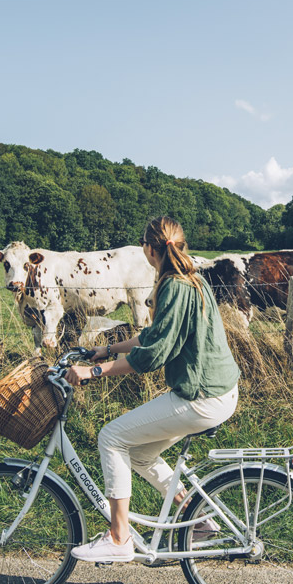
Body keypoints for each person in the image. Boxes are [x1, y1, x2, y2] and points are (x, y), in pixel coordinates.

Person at [66, 216, 241, 563]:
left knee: (111, 438)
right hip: (217, 391)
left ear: (149, 249)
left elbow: (154, 354)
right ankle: (200, 520)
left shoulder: (174, 286)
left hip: (201, 397)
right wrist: (109, 349)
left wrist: (94, 371)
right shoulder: (192, 279)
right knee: (141, 454)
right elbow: (154, 335)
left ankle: (118, 539)